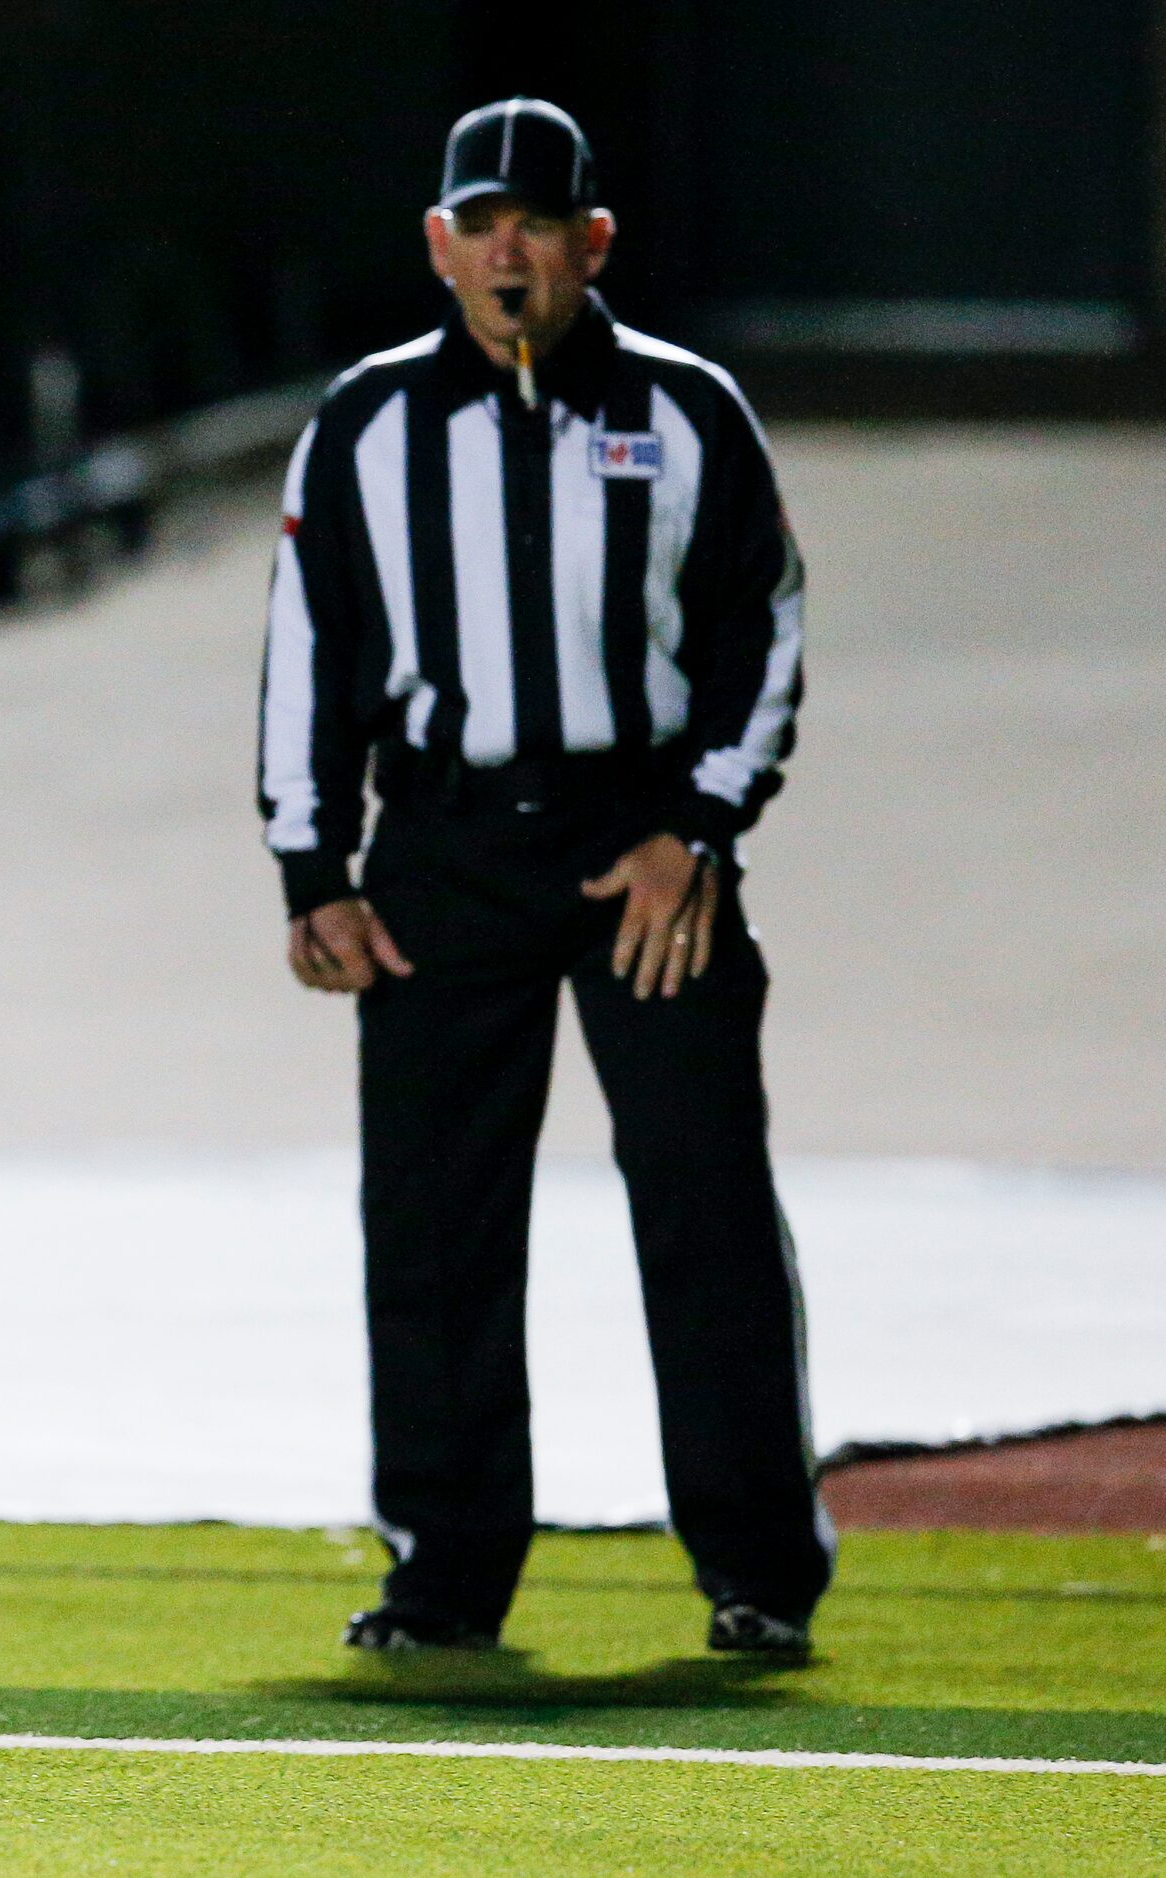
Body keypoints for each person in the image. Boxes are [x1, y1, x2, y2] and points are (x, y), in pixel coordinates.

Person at [258, 99, 831, 1656]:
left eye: (538, 221)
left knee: (704, 1195)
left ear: (594, 241)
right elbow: (309, 651)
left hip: (640, 847)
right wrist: (311, 864)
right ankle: (444, 1574)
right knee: (434, 1218)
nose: (507, 249)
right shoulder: (367, 422)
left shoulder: (686, 406)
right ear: (437, 246)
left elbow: (758, 625)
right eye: (479, 222)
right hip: (442, 850)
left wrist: (699, 827)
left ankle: (758, 1569)